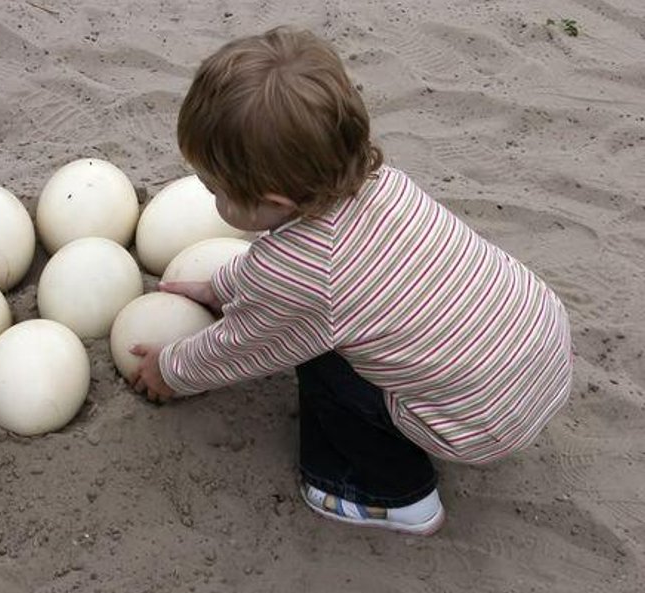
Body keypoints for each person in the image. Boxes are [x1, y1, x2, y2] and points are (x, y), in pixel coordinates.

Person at [128, 26, 573, 535]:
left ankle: (394, 494)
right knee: (336, 322)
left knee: (320, 362)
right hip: (541, 348)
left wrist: (172, 370)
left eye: (217, 190)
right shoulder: (380, 183)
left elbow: (241, 346)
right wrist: (218, 288)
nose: (212, 201)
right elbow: (285, 274)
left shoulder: (308, 275)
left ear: (274, 203)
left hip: (484, 424)